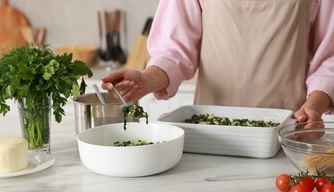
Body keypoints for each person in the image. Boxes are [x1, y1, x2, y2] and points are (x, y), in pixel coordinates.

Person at [102, 0, 334, 122]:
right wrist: (145, 79)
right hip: (211, 131)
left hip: (288, 129)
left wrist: (313, 109)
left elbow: (330, 56)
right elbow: (174, 50)